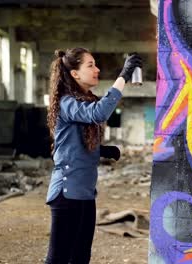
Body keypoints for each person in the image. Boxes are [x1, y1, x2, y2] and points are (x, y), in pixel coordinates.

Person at [44, 47, 142, 264]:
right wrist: (123, 77)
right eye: (90, 65)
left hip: (85, 195)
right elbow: (98, 113)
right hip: (66, 193)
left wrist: (101, 150)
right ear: (75, 74)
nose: (97, 69)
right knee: (58, 259)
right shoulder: (66, 103)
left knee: (80, 257)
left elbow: (74, 147)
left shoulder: (82, 100)